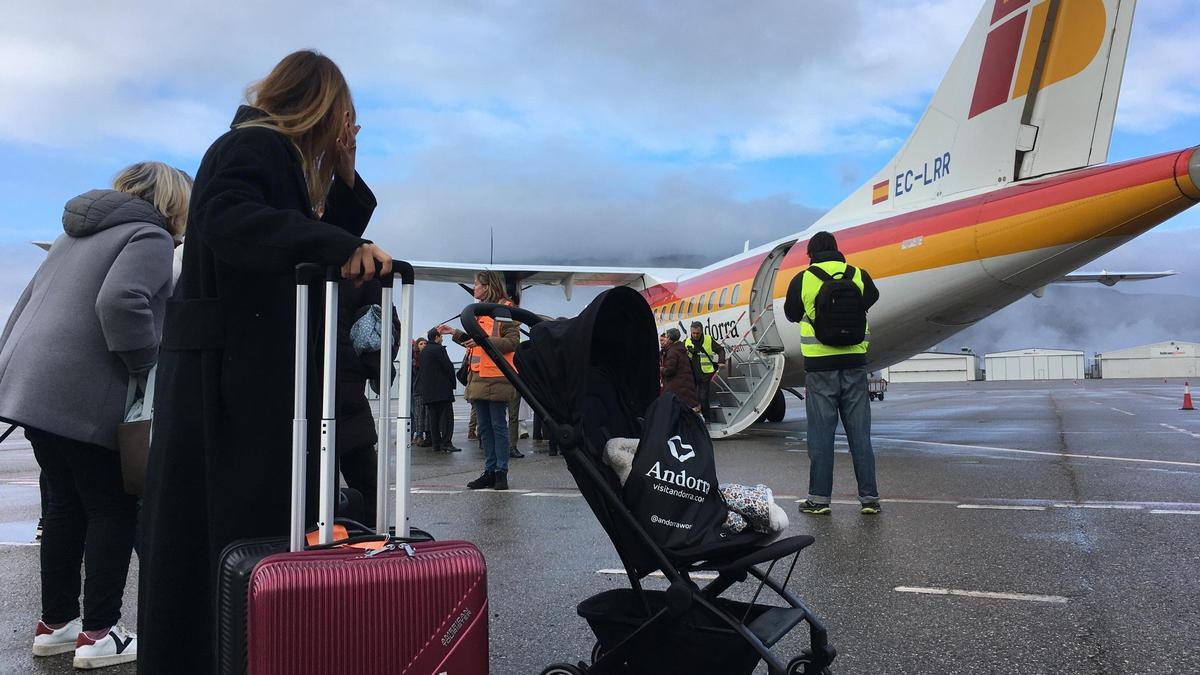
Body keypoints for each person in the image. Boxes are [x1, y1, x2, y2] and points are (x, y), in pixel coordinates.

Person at [137, 51, 391, 674]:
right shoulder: (255, 146)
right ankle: (223, 652)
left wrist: (343, 181)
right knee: (232, 527)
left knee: (225, 528)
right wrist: (342, 241)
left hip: (234, 373)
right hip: (232, 381)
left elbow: (278, 234)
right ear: (318, 105)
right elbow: (231, 221)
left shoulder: (254, 149)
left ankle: (227, 649)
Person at [0, 161, 191, 669]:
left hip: (32, 391)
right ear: (174, 200)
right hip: (88, 395)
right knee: (112, 508)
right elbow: (121, 301)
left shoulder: (69, 239)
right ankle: (100, 633)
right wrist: (147, 366)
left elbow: (24, 307)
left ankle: (55, 624)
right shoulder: (149, 237)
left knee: (63, 508)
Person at [783, 231, 881, 516]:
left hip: (820, 369)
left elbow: (791, 313)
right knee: (860, 435)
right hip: (855, 364)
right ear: (837, 250)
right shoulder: (858, 275)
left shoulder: (803, 279)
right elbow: (870, 299)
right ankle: (870, 499)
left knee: (821, 436)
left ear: (811, 253)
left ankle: (819, 500)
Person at [437, 271, 520, 491]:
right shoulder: (480, 313)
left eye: (476, 284)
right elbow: (475, 342)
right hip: (478, 376)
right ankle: (490, 470)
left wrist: (483, 342)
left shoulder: (505, 309)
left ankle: (501, 471)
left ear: (487, 285)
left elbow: (512, 342)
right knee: (485, 427)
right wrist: (453, 332)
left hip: (496, 375)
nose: (474, 288)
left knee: (497, 426)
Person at [418, 328, 460, 453]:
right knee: (446, 419)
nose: (442, 339)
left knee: (433, 419)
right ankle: (447, 443)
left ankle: (436, 444)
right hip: (442, 390)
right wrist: (453, 384)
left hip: (428, 392)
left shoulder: (424, 352)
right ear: (436, 337)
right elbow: (448, 367)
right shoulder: (439, 349)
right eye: (441, 337)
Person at [685, 321, 726, 422]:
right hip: (692, 374)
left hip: (705, 374)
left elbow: (721, 350)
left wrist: (721, 361)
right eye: (693, 333)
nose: (695, 335)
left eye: (697, 333)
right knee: (692, 398)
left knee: (703, 397)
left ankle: (707, 419)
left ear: (701, 331)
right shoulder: (686, 342)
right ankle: (694, 420)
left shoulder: (708, 340)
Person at [660, 329, 699, 413]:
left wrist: (660, 369)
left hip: (677, 388)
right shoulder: (680, 349)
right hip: (684, 387)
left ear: (670, 338)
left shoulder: (672, 352)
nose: (664, 340)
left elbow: (669, 371)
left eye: (666, 337)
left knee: (678, 412)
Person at [412, 337, 431, 447]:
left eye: (425, 343)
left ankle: (427, 435)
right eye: (421, 343)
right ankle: (419, 436)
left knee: (427, 413)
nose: (423, 345)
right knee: (419, 413)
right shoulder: (415, 358)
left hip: (427, 388)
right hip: (418, 388)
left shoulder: (428, 356)